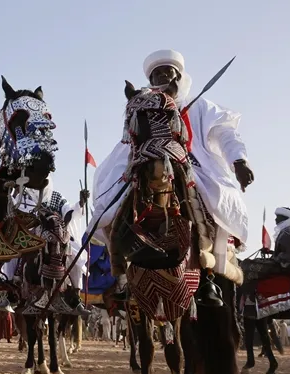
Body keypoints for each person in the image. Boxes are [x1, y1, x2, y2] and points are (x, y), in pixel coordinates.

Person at [91, 49, 254, 307]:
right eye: (159, 74)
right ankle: (121, 272)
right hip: (145, 158)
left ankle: (208, 273)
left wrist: (239, 160)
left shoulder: (199, 106)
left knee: (208, 196)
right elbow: (128, 138)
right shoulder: (142, 104)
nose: (164, 77)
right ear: (151, 79)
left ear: (179, 77)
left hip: (189, 161)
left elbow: (225, 134)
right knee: (113, 203)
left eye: (170, 72)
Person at [241, 207, 290, 291]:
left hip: (287, 268)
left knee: (247, 265)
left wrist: (275, 259)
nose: (275, 219)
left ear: (285, 218)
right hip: (285, 265)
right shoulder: (289, 231)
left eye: (278, 217)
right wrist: (271, 253)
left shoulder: (288, 233)